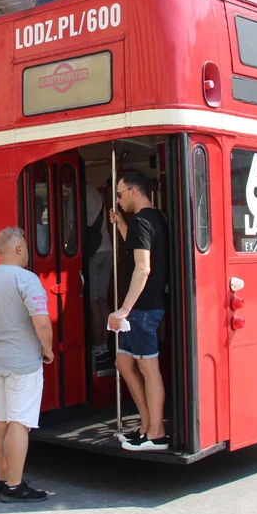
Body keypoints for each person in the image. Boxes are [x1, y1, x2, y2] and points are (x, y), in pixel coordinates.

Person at [0, 226, 52, 503]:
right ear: (18, 249)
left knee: (1, 422)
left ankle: (2, 480)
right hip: (22, 364)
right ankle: (16, 487)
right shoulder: (27, 280)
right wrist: (48, 349)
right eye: (26, 247)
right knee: (20, 422)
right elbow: (41, 321)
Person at [108, 169, 170, 452]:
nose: (118, 200)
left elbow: (143, 267)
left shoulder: (142, 221)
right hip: (144, 308)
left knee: (148, 367)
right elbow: (138, 247)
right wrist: (121, 223)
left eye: (119, 194)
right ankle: (146, 424)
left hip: (142, 309)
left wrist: (124, 309)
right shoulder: (155, 218)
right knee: (124, 362)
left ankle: (156, 433)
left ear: (134, 191)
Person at [85, 182, 113, 369]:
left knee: (93, 301)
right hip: (107, 249)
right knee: (102, 300)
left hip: (93, 253)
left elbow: (74, 227)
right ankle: (105, 346)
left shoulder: (80, 194)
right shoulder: (97, 194)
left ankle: (97, 348)